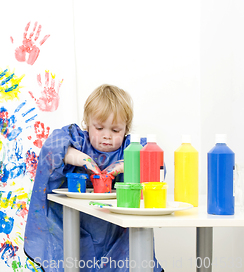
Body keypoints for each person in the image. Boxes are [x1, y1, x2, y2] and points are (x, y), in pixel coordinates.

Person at [24, 84, 163, 272]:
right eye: (99, 128)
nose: (107, 136)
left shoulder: (130, 147)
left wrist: (123, 165)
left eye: (115, 131)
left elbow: (154, 163)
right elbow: (52, 147)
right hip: (78, 225)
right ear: (87, 123)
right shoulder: (79, 141)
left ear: (126, 130)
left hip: (118, 233)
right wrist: (82, 158)